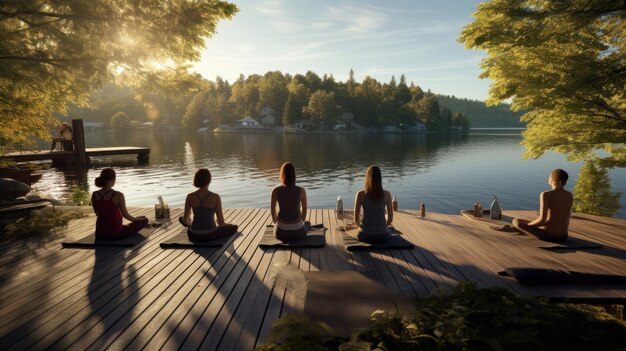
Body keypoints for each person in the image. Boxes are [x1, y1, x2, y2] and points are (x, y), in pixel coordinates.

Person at [512, 169, 573, 242]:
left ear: (556, 180)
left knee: (516, 221)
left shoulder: (546, 194)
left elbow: (542, 220)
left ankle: (525, 228)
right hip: (564, 236)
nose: (548, 178)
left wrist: (527, 226)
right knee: (525, 222)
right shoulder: (569, 195)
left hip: (548, 236)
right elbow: (567, 216)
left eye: (550, 176)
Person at [179, 168, 238, 241]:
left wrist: (192, 225)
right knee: (234, 227)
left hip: (194, 235)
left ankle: (194, 225)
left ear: (196, 180)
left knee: (182, 219)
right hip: (211, 234)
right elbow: (221, 223)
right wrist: (229, 225)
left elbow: (185, 220)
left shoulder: (190, 196)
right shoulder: (215, 197)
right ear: (209, 180)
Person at [92, 168, 148, 239]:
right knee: (144, 220)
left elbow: (97, 214)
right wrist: (138, 220)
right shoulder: (118, 195)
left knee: (139, 218)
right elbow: (126, 215)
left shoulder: (94, 194)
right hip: (116, 233)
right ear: (113, 180)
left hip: (100, 233)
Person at [353, 165, 393, 243]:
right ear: (380, 178)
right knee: (389, 231)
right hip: (383, 235)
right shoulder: (387, 194)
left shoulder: (360, 194)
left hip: (365, 235)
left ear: (367, 178)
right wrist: (383, 227)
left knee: (354, 231)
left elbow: (356, 220)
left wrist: (359, 227)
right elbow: (390, 220)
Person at [270, 162, 308, 241]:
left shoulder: (275, 191)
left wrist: (276, 223)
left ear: (282, 174)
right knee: (307, 225)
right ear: (294, 175)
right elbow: (304, 211)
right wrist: (300, 223)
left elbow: (273, 210)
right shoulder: (302, 190)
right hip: (298, 232)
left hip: (281, 233)